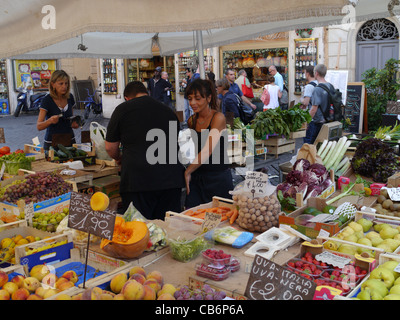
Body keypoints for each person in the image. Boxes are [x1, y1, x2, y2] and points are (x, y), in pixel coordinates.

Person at [105, 81, 185, 220]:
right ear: (146, 93)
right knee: (168, 232)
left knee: (139, 232)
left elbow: (110, 147)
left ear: (127, 98)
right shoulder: (168, 111)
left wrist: (119, 157)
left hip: (138, 182)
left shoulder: (122, 109)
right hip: (171, 181)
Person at [184, 79, 233, 208]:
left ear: (209, 98)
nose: (193, 103)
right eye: (190, 99)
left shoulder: (218, 118)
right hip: (198, 177)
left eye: (198, 98)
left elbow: (208, 149)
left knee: (220, 220)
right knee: (193, 218)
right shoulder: (191, 120)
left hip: (218, 178)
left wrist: (187, 171)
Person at [37, 70, 79, 152]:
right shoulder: (47, 100)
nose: (64, 86)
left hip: (69, 140)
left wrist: (75, 124)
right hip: (52, 143)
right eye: (61, 83)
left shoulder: (70, 97)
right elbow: (39, 126)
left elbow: (71, 118)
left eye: (66, 83)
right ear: (53, 84)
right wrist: (49, 121)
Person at [304, 64, 333, 144]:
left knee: (311, 145)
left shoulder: (317, 89)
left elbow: (314, 109)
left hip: (318, 122)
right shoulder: (330, 86)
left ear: (316, 73)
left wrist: (307, 122)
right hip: (329, 120)